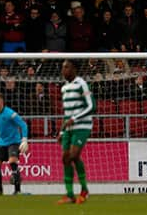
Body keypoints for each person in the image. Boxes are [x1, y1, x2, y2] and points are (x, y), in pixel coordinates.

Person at [58, 60, 94, 205]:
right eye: (62, 67)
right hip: (69, 128)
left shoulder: (82, 84)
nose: (63, 70)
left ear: (74, 69)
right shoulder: (64, 88)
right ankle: (70, 195)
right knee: (66, 158)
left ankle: (84, 190)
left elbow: (91, 106)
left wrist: (74, 118)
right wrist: (61, 131)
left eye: (66, 67)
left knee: (73, 155)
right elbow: (67, 113)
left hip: (82, 126)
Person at [0, 93, 29, 195]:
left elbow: (23, 124)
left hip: (14, 141)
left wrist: (24, 140)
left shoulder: (10, 113)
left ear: (2, 102)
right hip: (2, 142)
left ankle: (17, 190)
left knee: (12, 161)